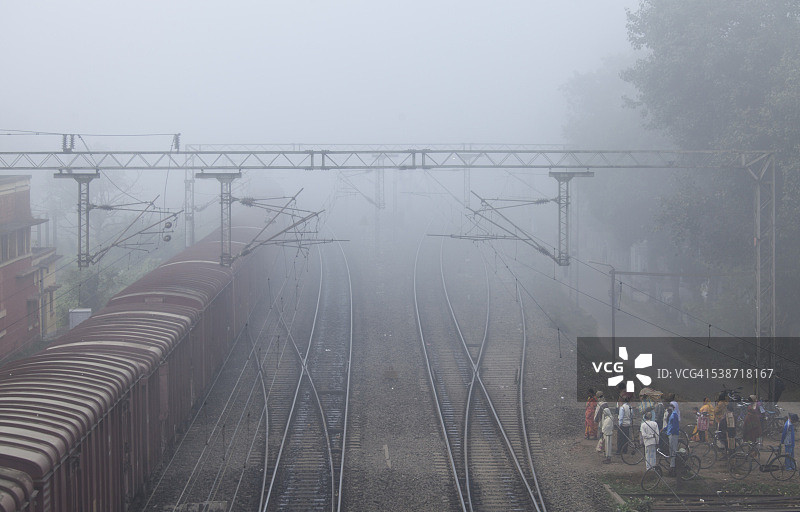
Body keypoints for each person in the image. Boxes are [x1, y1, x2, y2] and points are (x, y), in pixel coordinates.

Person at [595, 392, 614, 464]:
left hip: (607, 434)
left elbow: (605, 427)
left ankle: (608, 457)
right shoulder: (610, 417)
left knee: (607, 446)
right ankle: (606, 455)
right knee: (607, 446)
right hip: (607, 433)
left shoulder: (608, 420)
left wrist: (602, 431)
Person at [665, 404, 680, 476]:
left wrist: (671, 433)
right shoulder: (671, 415)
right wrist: (664, 429)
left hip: (673, 435)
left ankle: (672, 467)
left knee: (673, 451)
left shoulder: (674, 415)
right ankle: (672, 465)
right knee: (671, 450)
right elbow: (669, 425)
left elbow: (674, 426)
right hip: (670, 434)